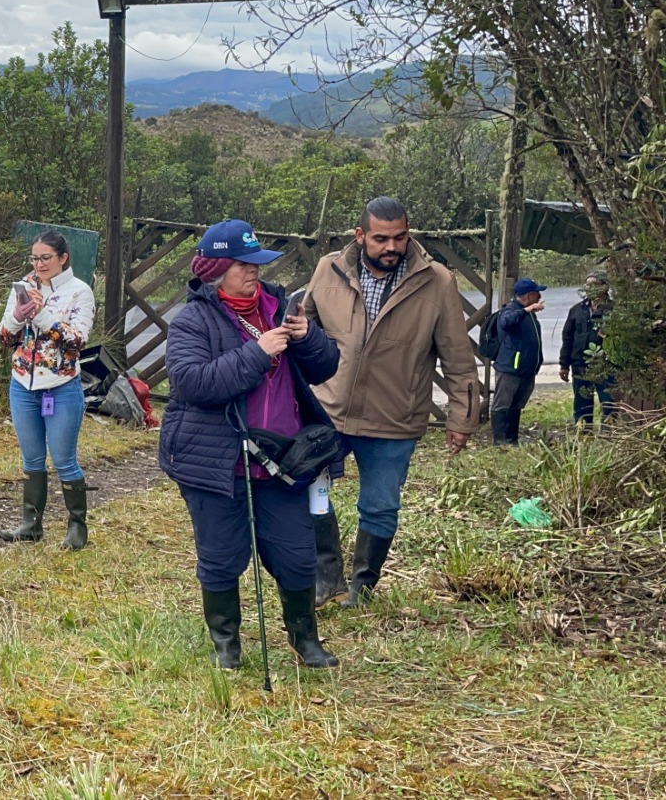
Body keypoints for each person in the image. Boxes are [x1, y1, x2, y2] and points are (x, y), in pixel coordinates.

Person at [159, 219, 342, 669]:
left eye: (256, 263)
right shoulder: (192, 320)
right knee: (221, 558)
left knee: (297, 557)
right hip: (217, 463)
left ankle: (305, 640)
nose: (254, 272)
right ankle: (227, 644)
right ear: (217, 269)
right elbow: (192, 382)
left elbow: (325, 368)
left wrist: (308, 337)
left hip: (283, 461)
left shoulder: (279, 307)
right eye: (243, 264)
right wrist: (257, 353)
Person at [303, 196, 481, 608]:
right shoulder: (328, 269)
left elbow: (458, 356)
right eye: (381, 238)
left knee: (380, 505)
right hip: (327, 410)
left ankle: (361, 589)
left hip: (393, 418)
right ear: (360, 236)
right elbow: (303, 331)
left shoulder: (436, 281)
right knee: (309, 489)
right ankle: (324, 576)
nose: (392, 247)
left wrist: (462, 419)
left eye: (400, 237)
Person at [0, 231, 97, 549]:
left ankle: (77, 527)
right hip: (23, 384)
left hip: (61, 386)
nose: (38, 264)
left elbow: (77, 340)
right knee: (32, 459)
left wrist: (40, 315)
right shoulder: (23, 287)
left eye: (45, 258)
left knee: (64, 458)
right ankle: (31, 524)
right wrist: (17, 317)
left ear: (63, 258)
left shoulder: (80, 292)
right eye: (34, 258)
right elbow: (3, 335)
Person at [490, 277, 547, 445]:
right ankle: (500, 441)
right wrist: (527, 310)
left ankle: (512, 439)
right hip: (510, 368)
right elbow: (506, 322)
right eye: (537, 293)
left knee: (516, 405)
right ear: (528, 296)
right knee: (503, 404)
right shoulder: (511, 310)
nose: (539, 296)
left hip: (526, 370)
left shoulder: (528, 314)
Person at [559, 271, 614, 425]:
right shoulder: (577, 310)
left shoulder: (613, 310)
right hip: (580, 365)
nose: (589, 288)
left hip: (606, 366)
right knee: (582, 404)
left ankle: (609, 436)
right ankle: (583, 435)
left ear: (605, 287)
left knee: (608, 403)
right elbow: (567, 338)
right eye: (587, 284)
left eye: (594, 284)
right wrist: (564, 365)